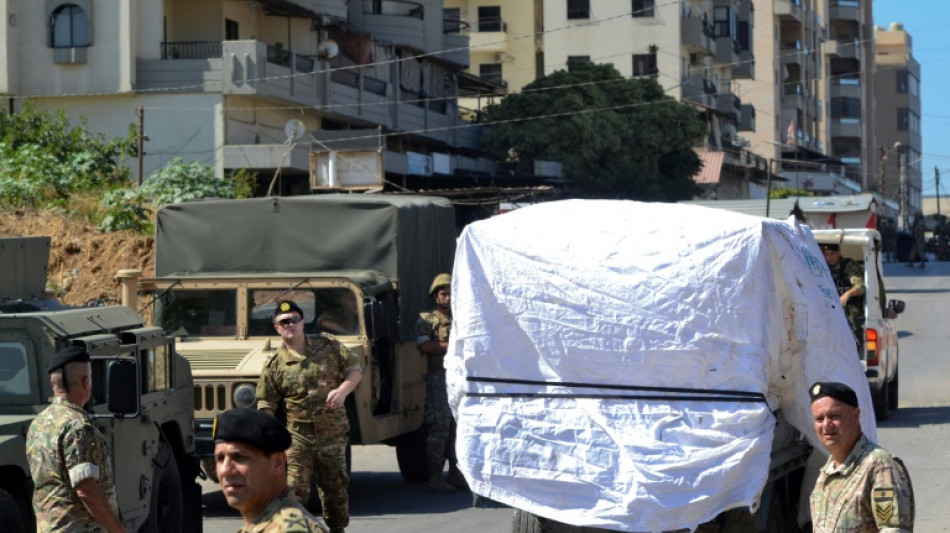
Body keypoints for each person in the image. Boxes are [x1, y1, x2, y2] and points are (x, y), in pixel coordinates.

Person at [256, 300, 362, 533]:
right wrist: (272, 437)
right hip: (297, 437)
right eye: (284, 322)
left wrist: (343, 391)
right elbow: (266, 402)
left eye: (294, 319)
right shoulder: (274, 365)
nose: (290, 325)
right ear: (277, 328)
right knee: (294, 491)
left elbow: (355, 369)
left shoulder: (329, 346)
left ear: (303, 322)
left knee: (335, 492)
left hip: (332, 434)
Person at [26, 346, 126, 532]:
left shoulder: (38, 424)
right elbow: (86, 490)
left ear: (53, 384)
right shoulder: (77, 427)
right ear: (86, 382)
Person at [808, 381, 914, 532]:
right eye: (819, 419)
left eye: (834, 416)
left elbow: (893, 529)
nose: (826, 425)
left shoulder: (880, 467)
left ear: (856, 416)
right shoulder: (827, 473)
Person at [213, 408, 327, 532]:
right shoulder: (263, 523)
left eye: (240, 457)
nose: (225, 470)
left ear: (277, 463)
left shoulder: (291, 529)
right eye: (220, 458)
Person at [416, 273, 467, 493]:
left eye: (451, 293)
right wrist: (453, 346)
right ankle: (435, 478)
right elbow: (424, 346)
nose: (448, 298)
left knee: (459, 428)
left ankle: (457, 475)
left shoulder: (463, 317)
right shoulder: (426, 319)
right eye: (444, 294)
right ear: (436, 296)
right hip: (440, 377)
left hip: (462, 377)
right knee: (439, 429)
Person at [820, 243, 865, 348]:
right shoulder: (822, 267)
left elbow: (860, 286)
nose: (830, 257)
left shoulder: (848, 265)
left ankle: (856, 346)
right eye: (827, 254)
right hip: (829, 306)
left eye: (832, 254)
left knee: (849, 320)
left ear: (838, 253)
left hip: (849, 307)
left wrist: (847, 294)